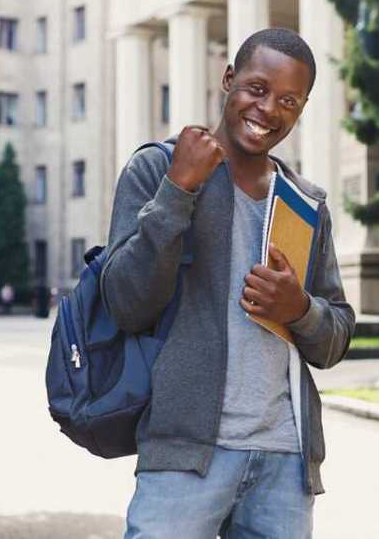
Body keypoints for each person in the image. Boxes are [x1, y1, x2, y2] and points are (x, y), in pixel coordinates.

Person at [102, 28, 355, 538]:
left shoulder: (305, 203)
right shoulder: (157, 167)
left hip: (285, 461)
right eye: (257, 89)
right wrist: (178, 190)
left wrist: (298, 309)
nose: (268, 110)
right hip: (186, 455)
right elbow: (125, 303)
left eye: (288, 100)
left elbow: (337, 336)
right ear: (228, 79)